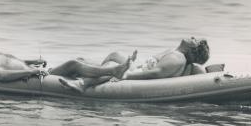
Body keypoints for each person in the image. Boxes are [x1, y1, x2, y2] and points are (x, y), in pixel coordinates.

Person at [58, 37, 210, 93]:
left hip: (137, 77)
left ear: (192, 49)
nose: (192, 37)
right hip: (137, 70)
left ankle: (83, 83)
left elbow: (156, 73)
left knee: (113, 63)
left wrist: (126, 74)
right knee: (115, 55)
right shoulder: (175, 53)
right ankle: (95, 75)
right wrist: (131, 62)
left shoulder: (178, 58)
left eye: (194, 40)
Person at [0, 41, 132, 82]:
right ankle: (112, 72)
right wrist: (31, 72)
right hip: (38, 78)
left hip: (36, 71)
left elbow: (12, 62)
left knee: (80, 60)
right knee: (72, 64)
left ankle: (108, 70)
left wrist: (32, 61)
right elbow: (2, 75)